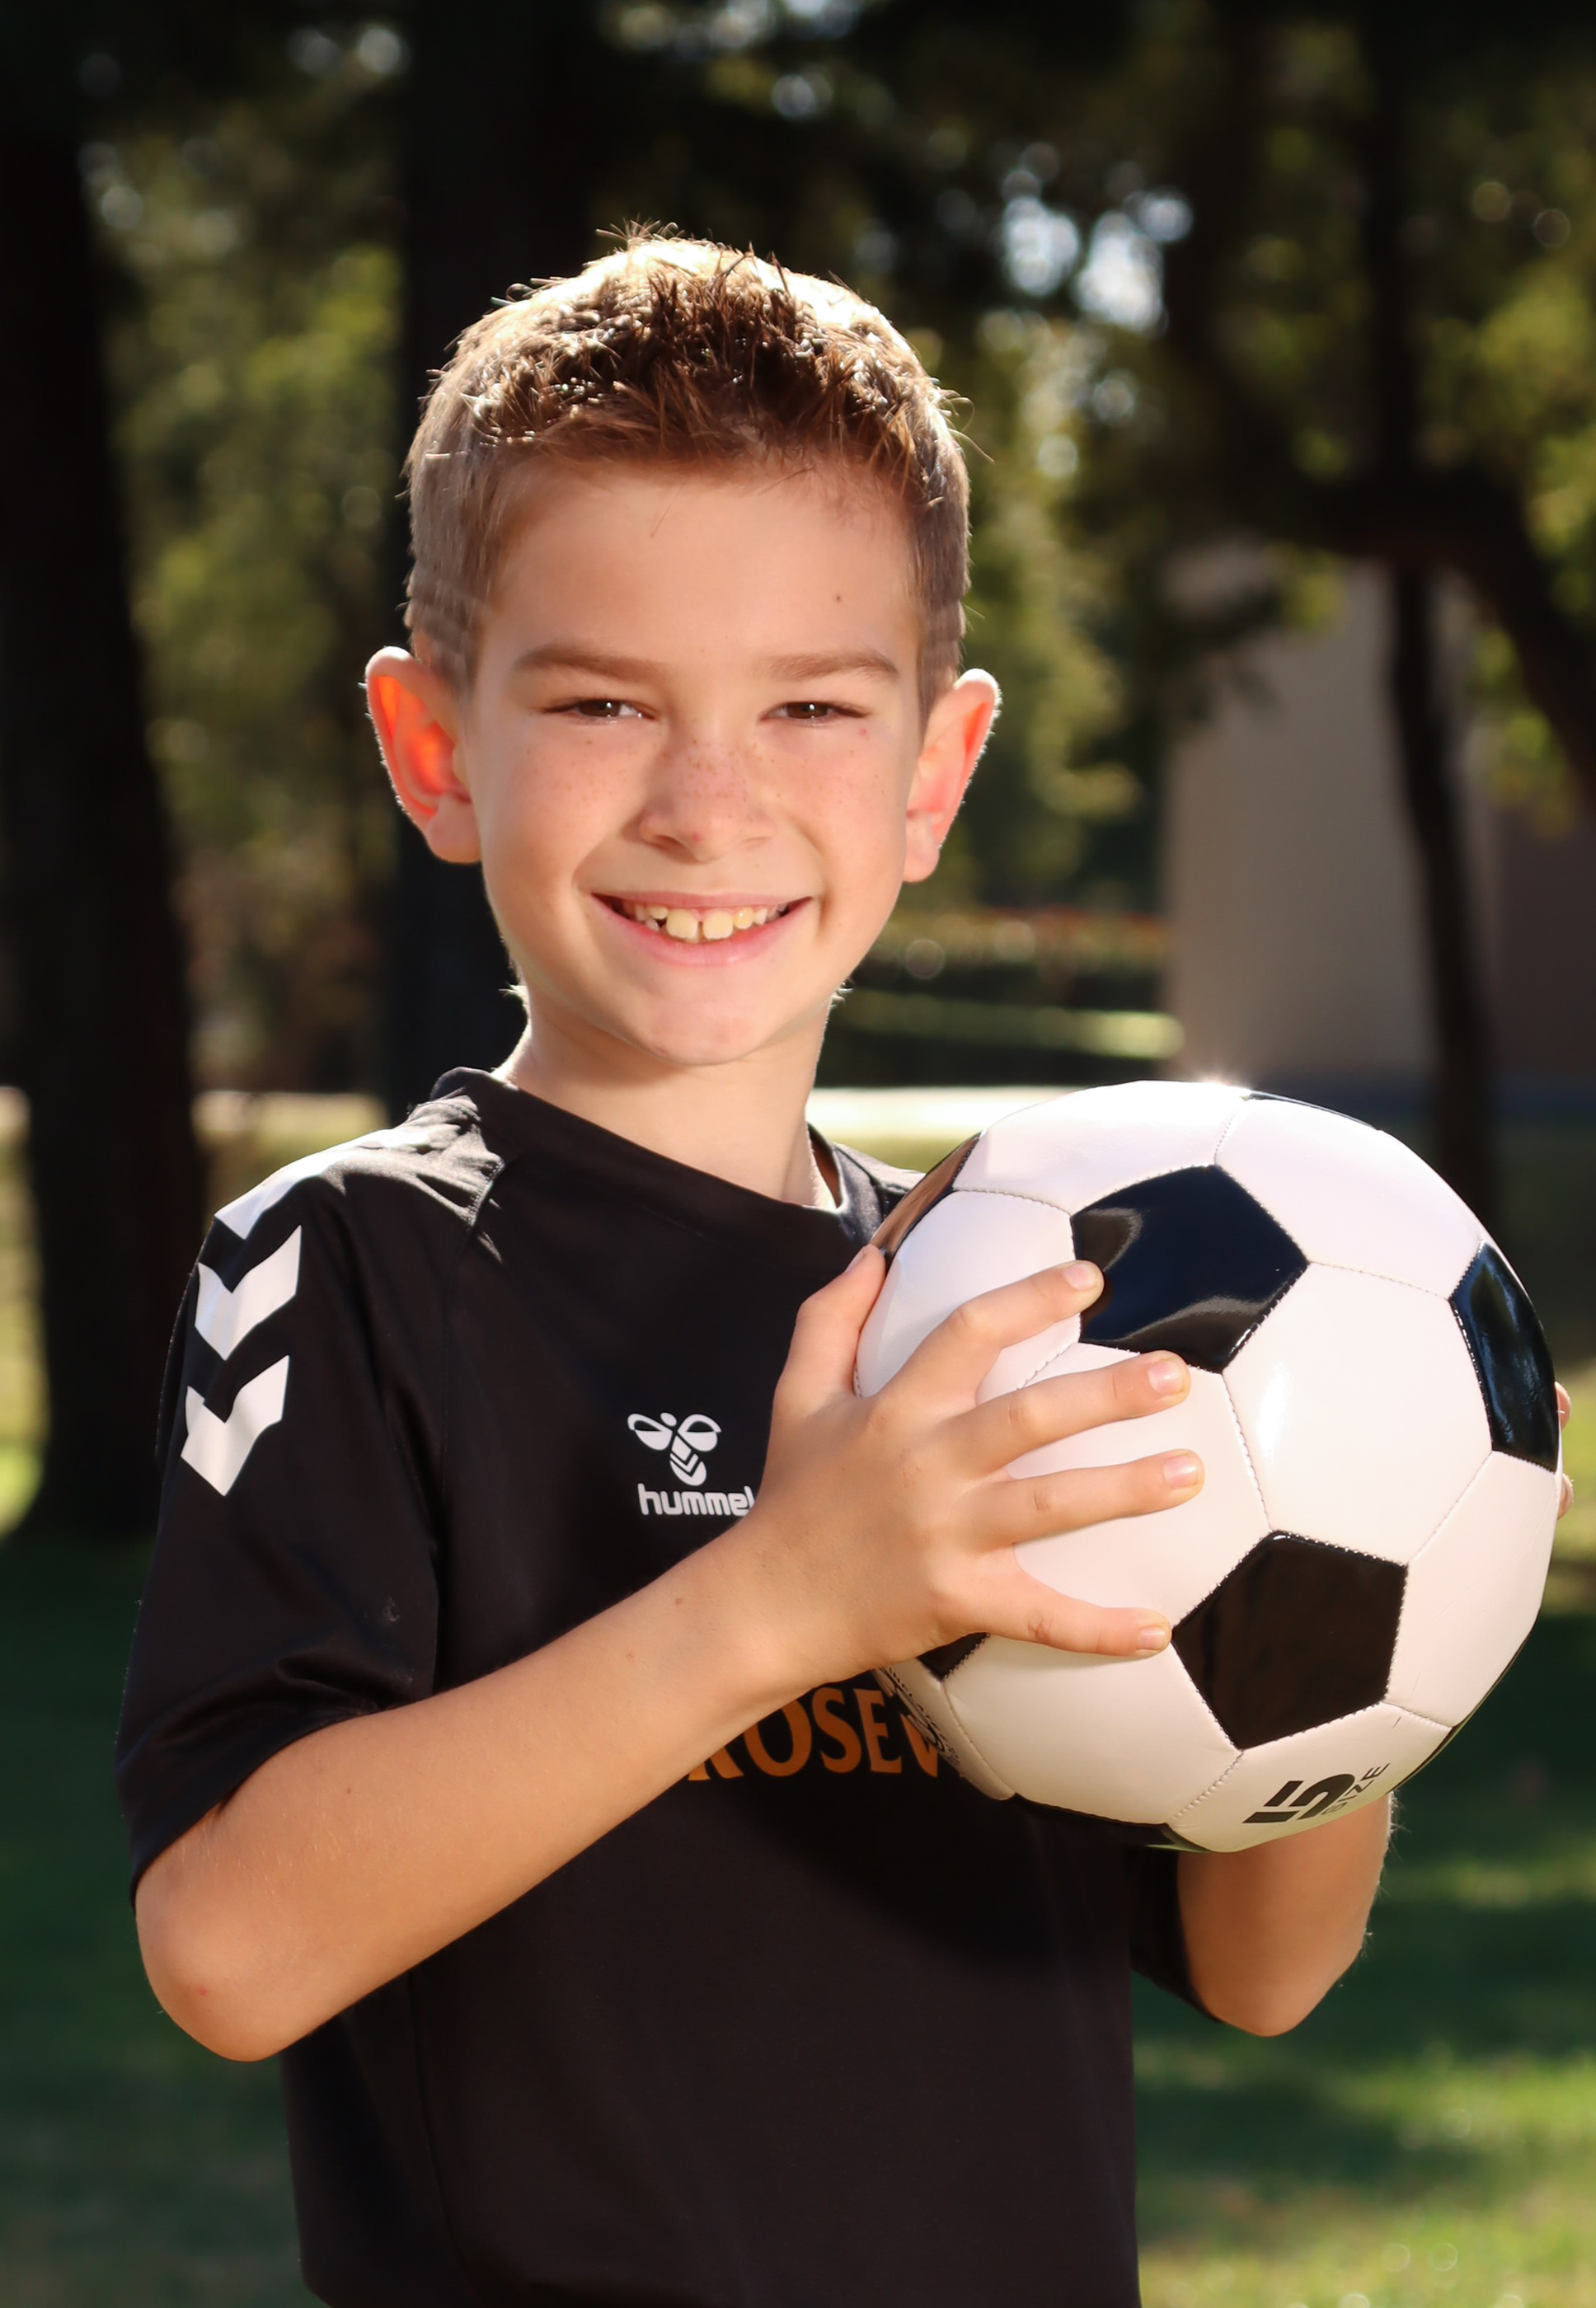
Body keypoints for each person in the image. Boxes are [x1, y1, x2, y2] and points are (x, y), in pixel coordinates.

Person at [116, 237, 1433, 2308]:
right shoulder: (356, 1259)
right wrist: (785, 1599)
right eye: (602, 701)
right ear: (436, 749)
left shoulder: (999, 1300)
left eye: (811, 704)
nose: (706, 801)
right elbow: (227, 1945)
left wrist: (1392, 1572)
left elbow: (1260, 1971)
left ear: (934, 771)